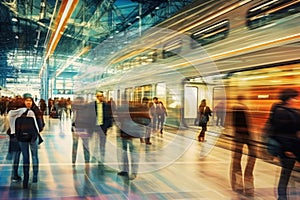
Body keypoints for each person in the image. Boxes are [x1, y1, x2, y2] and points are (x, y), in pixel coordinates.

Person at [267, 88, 300, 200]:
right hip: (287, 148)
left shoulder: (291, 111)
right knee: (285, 174)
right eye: (294, 98)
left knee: (287, 174)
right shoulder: (281, 112)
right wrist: (287, 149)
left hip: (294, 147)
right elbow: (280, 133)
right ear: (288, 99)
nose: (296, 100)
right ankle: (282, 197)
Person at [13, 93, 44, 189]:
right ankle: (30, 176)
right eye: (27, 100)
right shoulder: (35, 111)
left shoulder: (19, 111)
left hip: (27, 137)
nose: (28, 102)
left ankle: (34, 176)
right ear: (24, 101)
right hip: (30, 137)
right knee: (30, 156)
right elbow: (41, 125)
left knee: (31, 156)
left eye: (30, 101)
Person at [116, 100, 151, 180]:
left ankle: (133, 172)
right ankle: (125, 170)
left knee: (133, 155)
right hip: (125, 136)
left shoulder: (138, 113)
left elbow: (147, 121)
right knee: (125, 154)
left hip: (134, 137)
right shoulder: (126, 113)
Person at [230, 95, 256, 197]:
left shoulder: (237, 108)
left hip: (240, 137)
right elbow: (244, 125)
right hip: (243, 137)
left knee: (237, 161)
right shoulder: (240, 109)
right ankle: (244, 184)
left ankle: (238, 184)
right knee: (245, 159)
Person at [6, 96, 24, 183]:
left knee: (15, 155)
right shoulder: (23, 111)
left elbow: (8, 125)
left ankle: (14, 174)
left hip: (13, 136)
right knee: (22, 155)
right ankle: (18, 174)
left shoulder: (10, 113)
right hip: (21, 135)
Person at [71, 96, 92, 165]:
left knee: (75, 145)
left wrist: (72, 128)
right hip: (83, 129)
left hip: (78, 129)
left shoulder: (76, 109)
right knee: (85, 145)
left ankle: (74, 160)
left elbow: (73, 119)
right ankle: (87, 160)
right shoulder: (87, 109)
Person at [94, 91, 113, 166]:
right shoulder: (93, 105)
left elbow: (109, 115)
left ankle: (102, 156)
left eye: (102, 96)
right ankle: (95, 154)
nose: (101, 97)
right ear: (97, 97)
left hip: (103, 126)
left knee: (102, 142)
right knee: (95, 141)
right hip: (95, 126)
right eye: (100, 96)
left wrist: (109, 125)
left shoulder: (106, 105)